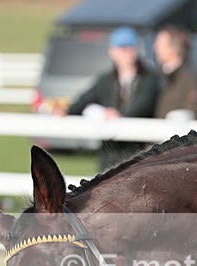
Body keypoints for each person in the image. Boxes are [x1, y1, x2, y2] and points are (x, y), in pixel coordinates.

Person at [63, 26, 160, 170]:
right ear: (112, 52)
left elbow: (143, 105)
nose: (126, 53)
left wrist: (118, 116)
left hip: (136, 154)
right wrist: (66, 111)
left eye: (129, 47)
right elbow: (84, 100)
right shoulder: (106, 80)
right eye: (121, 48)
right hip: (109, 156)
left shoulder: (149, 79)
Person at [153, 25, 197, 120]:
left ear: (173, 49)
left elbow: (192, 113)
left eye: (159, 45)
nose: (155, 48)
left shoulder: (188, 80)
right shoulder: (156, 77)